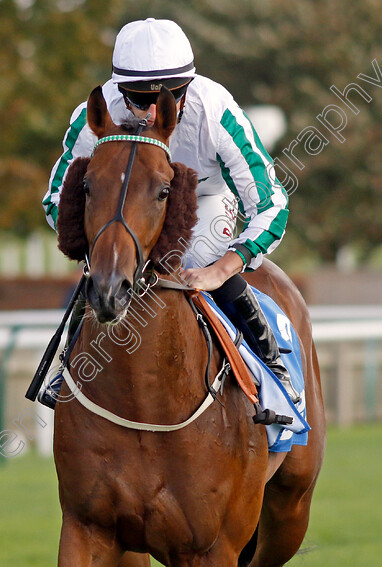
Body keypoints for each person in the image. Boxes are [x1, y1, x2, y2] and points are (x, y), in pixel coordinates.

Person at [38, 18, 298, 408]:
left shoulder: (215, 110)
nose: (157, 111)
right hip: (130, 210)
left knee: (196, 256)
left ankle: (273, 371)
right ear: (118, 90)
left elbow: (271, 203)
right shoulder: (93, 116)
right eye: (139, 99)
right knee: (107, 266)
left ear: (189, 86)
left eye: (173, 94)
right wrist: (99, 246)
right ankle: (69, 366)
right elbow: (57, 198)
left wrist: (223, 268)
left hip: (205, 197)